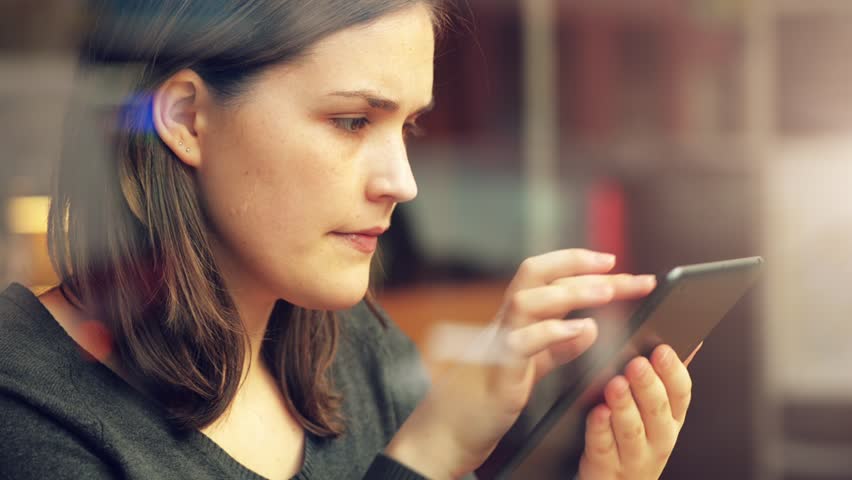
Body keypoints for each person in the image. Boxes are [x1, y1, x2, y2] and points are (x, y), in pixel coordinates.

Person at [0, 1, 696, 479]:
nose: (403, 182)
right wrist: (429, 453)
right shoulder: (27, 408)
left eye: (408, 127)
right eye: (353, 122)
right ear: (185, 119)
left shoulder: (360, 352)